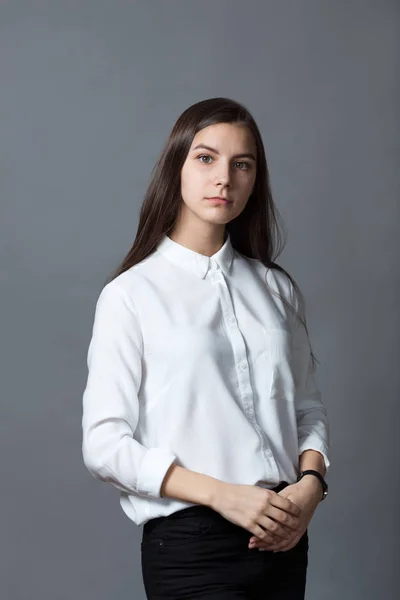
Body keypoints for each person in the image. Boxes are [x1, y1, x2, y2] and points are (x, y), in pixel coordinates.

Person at [81, 97, 330, 599]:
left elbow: (307, 408)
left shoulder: (277, 289)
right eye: (206, 158)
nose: (225, 178)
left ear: (255, 180)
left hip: (284, 539)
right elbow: (104, 445)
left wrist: (310, 487)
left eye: (243, 164)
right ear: (176, 166)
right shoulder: (131, 294)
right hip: (193, 546)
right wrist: (223, 496)